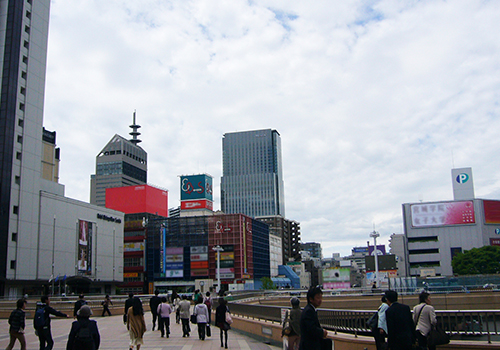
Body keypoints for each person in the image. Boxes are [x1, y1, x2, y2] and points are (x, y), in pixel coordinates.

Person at [299, 286, 328, 350]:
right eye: (318, 298)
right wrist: (322, 332)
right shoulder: (309, 311)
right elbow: (311, 329)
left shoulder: (310, 309)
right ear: (311, 299)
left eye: (321, 297)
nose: (320, 300)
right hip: (309, 346)